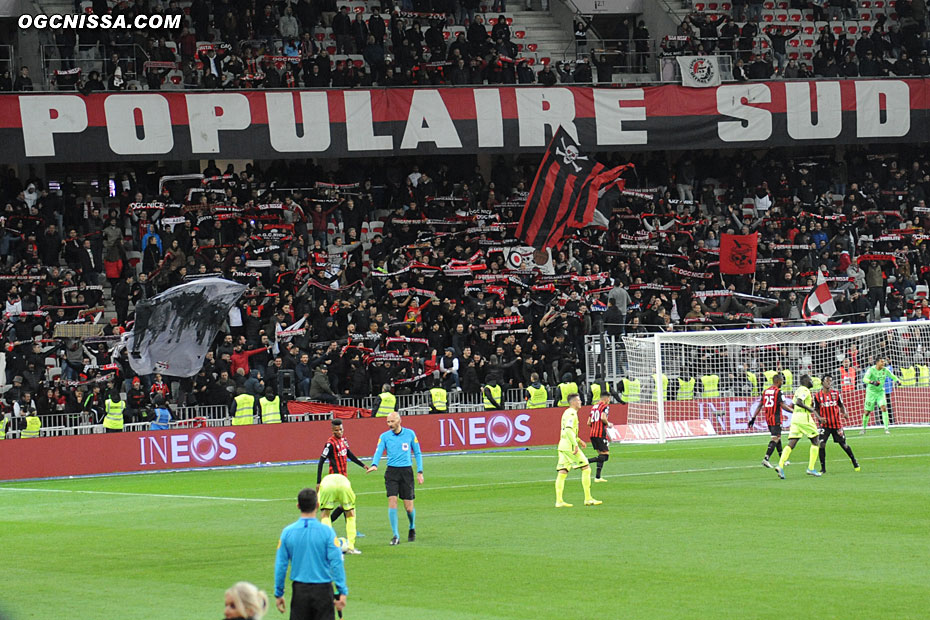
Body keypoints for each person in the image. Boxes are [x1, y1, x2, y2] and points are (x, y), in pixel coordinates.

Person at [274, 488, 348, 619]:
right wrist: (342, 590)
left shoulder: (288, 532)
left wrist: (279, 593)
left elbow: (281, 565)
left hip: (300, 592)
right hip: (323, 591)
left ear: (298, 506)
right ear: (317, 505)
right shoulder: (327, 532)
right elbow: (336, 562)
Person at [365, 412, 424, 545]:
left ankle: (412, 526)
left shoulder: (410, 434)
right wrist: (374, 464)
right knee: (392, 501)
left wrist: (420, 471)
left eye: (392, 421)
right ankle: (395, 535)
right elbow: (378, 450)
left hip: (406, 472)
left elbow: (418, 452)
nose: (390, 424)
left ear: (399, 420)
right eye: (388, 422)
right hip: (391, 472)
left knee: (409, 508)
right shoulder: (384, 437)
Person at [316, 419, 367, 529]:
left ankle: (328, 525)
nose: (339, 432)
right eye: (336, 430)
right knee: (345, 503)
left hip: (344, 478)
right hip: (334, 479)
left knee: (345, 504)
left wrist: (362, 465)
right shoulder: (329, 444)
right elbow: (320, 462)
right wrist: (318, 482)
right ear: (332, 430)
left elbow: (349, 454)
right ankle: (347, 527)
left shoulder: (344, 440)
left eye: (341, 429)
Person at [555, 393, 601, 507]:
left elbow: (568, 431)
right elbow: (569, 430)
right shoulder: (571, 413)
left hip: (563, 445)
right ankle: (588, 498)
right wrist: (575, 444)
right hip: (569, 446)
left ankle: (559, 501)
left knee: (563, 471)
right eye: (579, 400)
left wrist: (579, 440)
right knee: (586, 468)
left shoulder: (566, 412)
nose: (581, 402)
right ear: (574, 402)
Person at [775, 375, 822, 479]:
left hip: (795, 418)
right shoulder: (805, 390)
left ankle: (780, 465)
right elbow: (799, 402)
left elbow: (792, 405)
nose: (812, 382)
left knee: (792, 443)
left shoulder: (797, 390)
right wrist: (809, 409)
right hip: (804, 417)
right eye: (810, 380)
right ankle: (811, 468)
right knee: (815, 441)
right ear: (805, 381)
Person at [815, 376, 860, 474]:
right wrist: (819, 418)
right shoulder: (817, 396)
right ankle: (823, 468)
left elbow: (841, 404)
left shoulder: (836, 394)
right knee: (821, 444)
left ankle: (854, 461)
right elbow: (816, 409)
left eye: (830, 381)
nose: (829, 383)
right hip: (825, 425)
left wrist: (845, 412)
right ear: (822, 382)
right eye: (827, 381)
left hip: (836, 424)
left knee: (843, 445)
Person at [749, 372, 792, 468]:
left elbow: (760, 405)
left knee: (777, 438)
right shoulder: (778, 392)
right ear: (777, 381)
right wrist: (793, 411)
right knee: (775, 438)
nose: (782, 383)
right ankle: (766, 458)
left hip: (768, 419)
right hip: (776, 418)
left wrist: (753, 418)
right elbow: (783, 405)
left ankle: (783, 459)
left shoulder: (765, 391)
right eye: (781, 381)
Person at [317, 473, 362, 554]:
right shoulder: (343, 480)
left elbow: (319, 510)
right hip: (344, 485)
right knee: (350, 514)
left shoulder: (320, 491)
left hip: (328, 486)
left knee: (325, 515)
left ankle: (330, 545)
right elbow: (343, 508)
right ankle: (351, 547)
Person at [861, 358, 899, 435]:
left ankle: (886, 428)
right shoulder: (871, 370)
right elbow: (864, 379)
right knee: (867, 412)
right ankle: (863, 428)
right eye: (882, 362)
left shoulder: (885, 370)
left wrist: (898, 381)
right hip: (871, 393)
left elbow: (892, 376)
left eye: (884, 362)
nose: (883, 363)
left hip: (880, 392)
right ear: (877, 362)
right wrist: (872, 382)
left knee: (883, 407)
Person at [587, 389, 614, 481]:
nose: (609, 401)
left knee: (601, 455)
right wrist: (608, 424)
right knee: (605, 456)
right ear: (606, 398)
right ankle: (585, 461)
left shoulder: (594, 407)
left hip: (592, 434)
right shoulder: (605, 406)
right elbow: (603, 417)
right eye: (609, 399)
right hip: (599, 433)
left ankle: (597, 477)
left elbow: (588, 422)